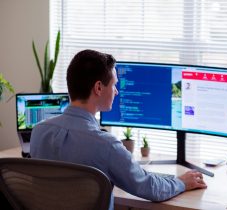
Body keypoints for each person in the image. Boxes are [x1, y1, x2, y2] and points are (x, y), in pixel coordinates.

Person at [30, 49, 207, 210]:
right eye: (114, 85)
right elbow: (147, 187)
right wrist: (181, 183)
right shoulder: (105, 145)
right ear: (98, 88)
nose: (116, 92)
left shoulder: (38, 132)